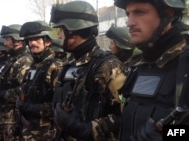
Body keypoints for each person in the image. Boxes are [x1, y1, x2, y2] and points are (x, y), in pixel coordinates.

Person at [50, 1, 127, 141]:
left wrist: (85, 128)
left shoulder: (108, 66)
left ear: (72, 32)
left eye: (61, 30)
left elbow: (126, 115)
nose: (59, 36)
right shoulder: (70, 63)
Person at [114, 0, 189, 141]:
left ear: (168, 14)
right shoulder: (136, 66)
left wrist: (168, 134)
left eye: (139, 12)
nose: (129, 23)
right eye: (128, 14)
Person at [16, 20, 63, 141]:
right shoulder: (33, 65)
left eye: (36, 39)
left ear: (47, 41)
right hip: (28, 130)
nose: (32, 43)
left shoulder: (55, 66)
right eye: (30, 40)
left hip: (45, 134)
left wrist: (30, 108)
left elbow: (59, 107)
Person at [0, 24, 33, 141]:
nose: (4, 44)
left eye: (7, 39)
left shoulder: (25, 60)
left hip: (13, 118)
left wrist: (1, 93)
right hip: (3, 114)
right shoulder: (12, 60)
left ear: (17, 41)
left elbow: (23, 91)